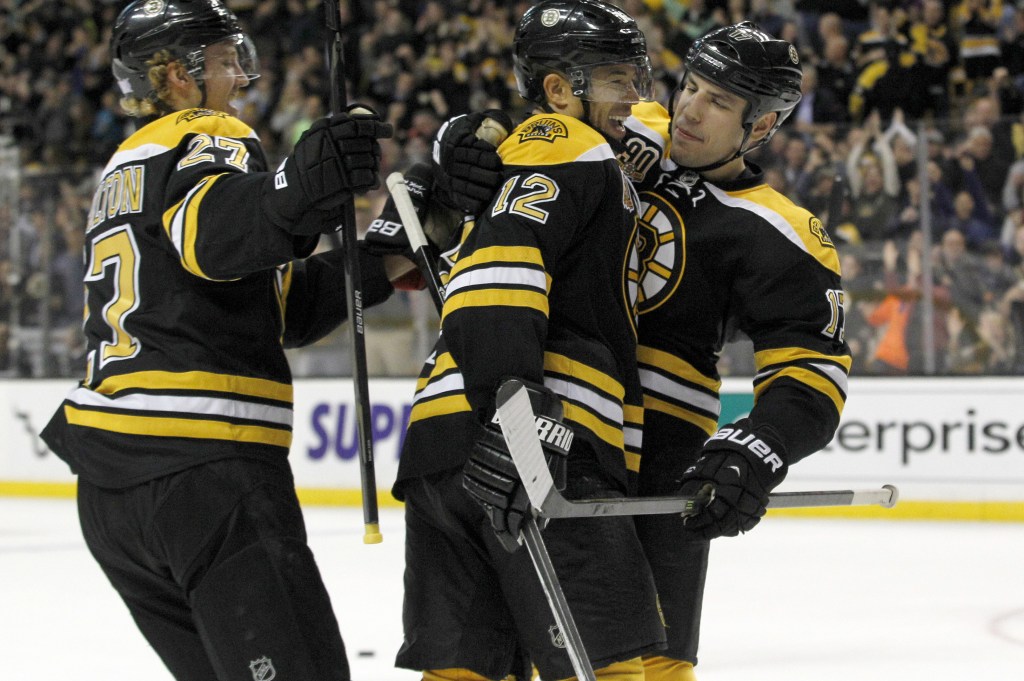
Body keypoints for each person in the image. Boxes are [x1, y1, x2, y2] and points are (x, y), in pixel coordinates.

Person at [38, 1, 395, 679]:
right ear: (176, 74)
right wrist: (297, 184)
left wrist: (380, 260)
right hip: (202, 467)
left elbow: (271, 308)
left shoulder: (124, 166)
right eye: (228, 61)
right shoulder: (206, 131)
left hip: (114, 490)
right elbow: (212, 236)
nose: (242, 79)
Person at [391, 1, 667, 679]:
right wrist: (514, 411)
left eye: (637, 80)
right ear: (557, 88)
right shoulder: (567, 142)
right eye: (616, 80)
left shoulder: (525, 153)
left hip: (443, 445)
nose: (634, 96)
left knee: (463, 669)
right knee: (607, 666)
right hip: (539, 435)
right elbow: (497, 272)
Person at [615, 22, 853, 679]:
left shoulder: (779, 230)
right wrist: (462, 149)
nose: (690, 107)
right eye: (690, 85)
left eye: (719, 100)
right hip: (560, 423)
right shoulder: (615, 133)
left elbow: (812, 374)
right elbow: (517, 156)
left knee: (654, 665)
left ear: (763, 126)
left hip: (666, 452)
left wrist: (757, 444)